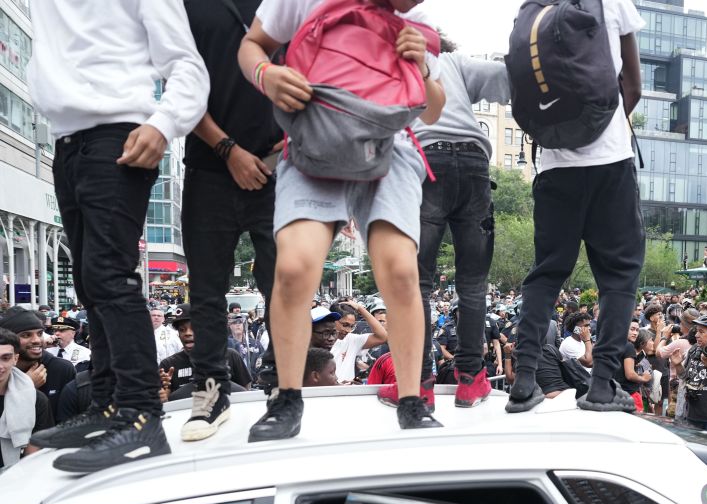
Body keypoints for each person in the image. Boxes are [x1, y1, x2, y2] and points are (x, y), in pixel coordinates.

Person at [239, 0, 446, 438]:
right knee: (293, 268)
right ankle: (286, 398)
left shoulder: (418, 21)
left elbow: (432, 110)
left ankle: (412, 399)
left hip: (389, 147)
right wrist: (266, 75)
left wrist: (421, 68)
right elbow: (252, 44)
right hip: (315, 140)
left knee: (402, 272)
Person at [27, 0, 209, 471]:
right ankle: (105, 406)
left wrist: (164, 124)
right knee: (89, 283)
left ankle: (139, 414)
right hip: (67, 143)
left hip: (119, 135)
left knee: (109, 275)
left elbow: (188, 65)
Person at [504, 0, 645, 415]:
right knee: (618, 276)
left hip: (553, 166)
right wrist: (604, 129)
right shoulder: (611, 3)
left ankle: (524, 380)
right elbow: (632, 85)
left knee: (546, 274)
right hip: (610, 165)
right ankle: (602, 384)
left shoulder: (533, 11)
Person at [379, 34, 509, 412]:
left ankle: (419, 384)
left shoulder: (392, 62)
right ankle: (471, 380)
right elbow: (505, 78)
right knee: (473, 284)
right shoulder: (454, 62)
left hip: (425, 163)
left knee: (416, 284)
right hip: (473, 168)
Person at [180, 0, 280, 441]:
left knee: (285, 284)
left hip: (280, 169)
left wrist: (284, 153)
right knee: (205, 290)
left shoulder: (294, 4)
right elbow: (180, 85)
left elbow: (319, 81)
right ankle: (211, 392)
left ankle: (283, 386)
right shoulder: (188, 6)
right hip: (208, 168)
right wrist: (228, 151)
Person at [0, 308, 76, 425]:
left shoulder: (62, 369)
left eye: (40, 333)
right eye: (26, 335)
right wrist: (25, 386)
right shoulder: (3, 370)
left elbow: (69, 422)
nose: (36, 340)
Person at [0, 328, 54, 470]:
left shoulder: (35, 399)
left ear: (15, 359)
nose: (0, 366)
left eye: (5, 358)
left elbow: (34, 457)